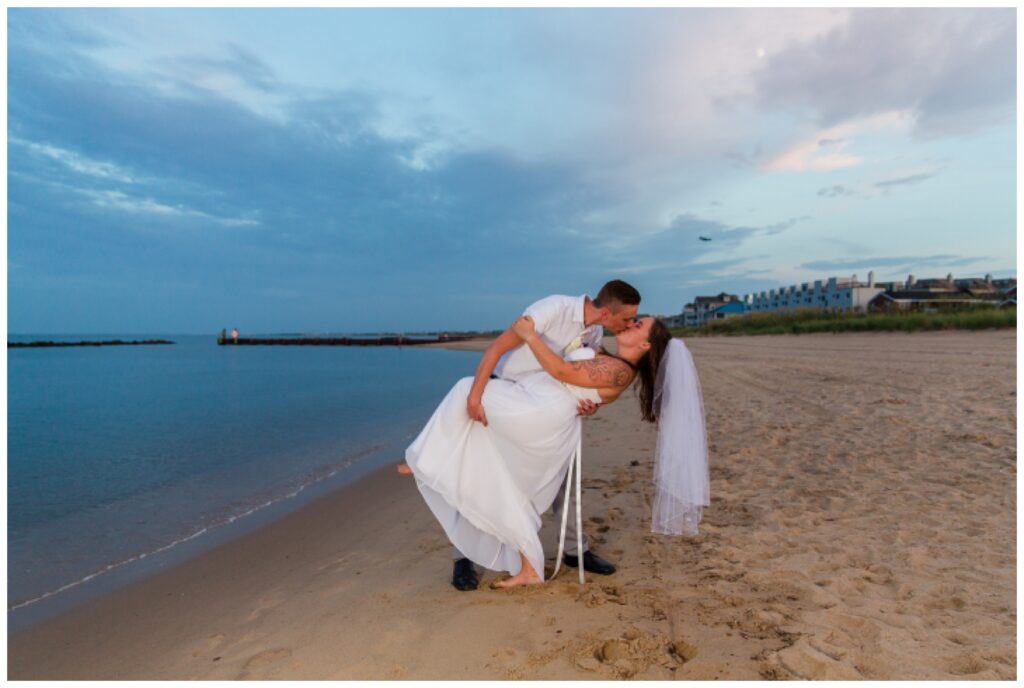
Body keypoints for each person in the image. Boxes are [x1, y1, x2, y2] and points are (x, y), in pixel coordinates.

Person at [404, 310, 677, 588]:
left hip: (540, 413)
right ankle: (473, 556)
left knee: (469, 405)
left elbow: (564, 371)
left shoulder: (617, 366)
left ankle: (424, 458)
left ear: (645, 345)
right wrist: (590, 397)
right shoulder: (582, 330)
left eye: (637, 323)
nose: (629, 323)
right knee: (490, 471)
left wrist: (530, 335)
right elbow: (586, 380)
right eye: (630, 318)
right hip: (527, 397)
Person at [454, 281, 641, 590]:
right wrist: (475, 397)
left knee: (565, 481)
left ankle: (574, 551)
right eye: (626, 319)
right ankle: (463, 558)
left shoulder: (595, 332)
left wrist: (588, 403)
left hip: (550, 408)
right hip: (509, 398)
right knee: (482, 476)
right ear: (607, 312)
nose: (628, 324)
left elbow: (581, 376)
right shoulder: (552, 308)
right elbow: (496, 348)